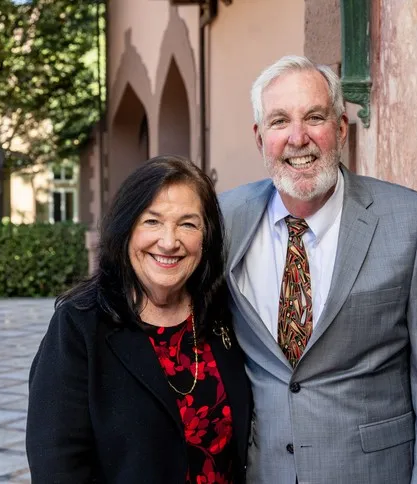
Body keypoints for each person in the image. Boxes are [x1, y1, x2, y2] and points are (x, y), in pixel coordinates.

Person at [218, 55, 417, 484]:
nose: (298, 138)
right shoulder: (225, 218)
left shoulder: (411, 222)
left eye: (314, 117)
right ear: (260, 138)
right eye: (279, 122)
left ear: (341, 128)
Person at [27, 156, 251, 483]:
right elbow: (57, 464)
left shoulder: (221, 312)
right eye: (152, 221)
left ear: (206, 237)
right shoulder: (80, 326)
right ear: (126, 228)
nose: (169, 241)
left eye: (188, 224)